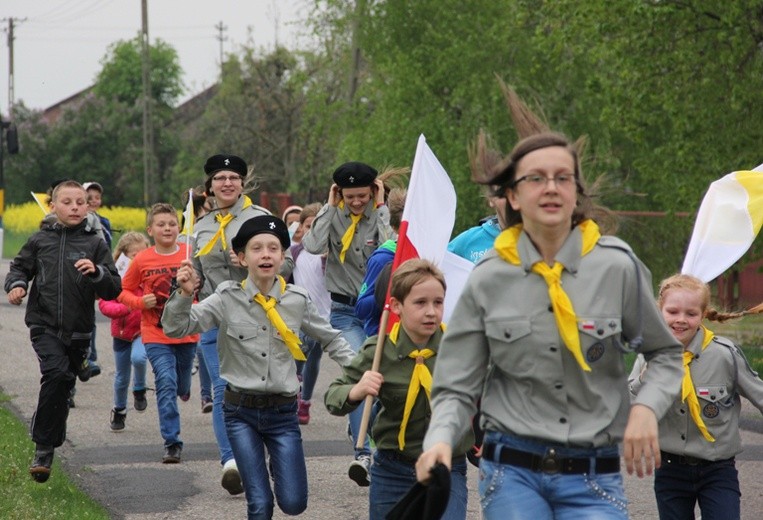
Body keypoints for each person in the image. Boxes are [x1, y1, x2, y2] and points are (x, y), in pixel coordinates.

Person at [415, 131, 684, 519]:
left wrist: (645, 408)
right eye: (536, 178)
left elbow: (664, 353)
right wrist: (439, 439)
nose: (551, 187)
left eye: (564, 178)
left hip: (595, 476)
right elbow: (457, 384)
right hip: (511, 473)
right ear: (512, 196)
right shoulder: (489, 276)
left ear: (577, 193)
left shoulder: (616, 266)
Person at [162, 215, 356, 520]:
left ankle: (278, 466)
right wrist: (184, 293)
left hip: (282, 414)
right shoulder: (226, 297)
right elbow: (177, 328)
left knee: (294, 503)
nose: (265, 254)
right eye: (256, 248)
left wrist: (361, 370)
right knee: (259, 504)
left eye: (273, 248)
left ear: (282, 257)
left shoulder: (297, 300)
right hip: (240, 413)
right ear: (242, 258)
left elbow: (331, 339)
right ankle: (259, 475)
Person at [326, 258, 472, 519]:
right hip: (393, 468)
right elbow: (333, 395)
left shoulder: (457, 346)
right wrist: (356, 391)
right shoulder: (380, 349)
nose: (431, 312)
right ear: (396, 305)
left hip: (446, 466)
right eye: (420, 303)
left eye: (438, 302)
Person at [4, 180, 121, 483]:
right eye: (67, 202)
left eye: (80, 202)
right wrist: (16, 285)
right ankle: (44, 449)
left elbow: (114, 287)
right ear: (52, 205)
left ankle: (49, 429)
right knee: (56, 374)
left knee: (64, 383)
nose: (74, 207)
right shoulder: (39, 240)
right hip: (43, 325)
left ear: (88, 206)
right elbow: (19, 268)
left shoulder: (95, 243)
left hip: (80, 332)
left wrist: (96, 273)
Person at [629, 274, 763, 519]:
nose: (681, 320)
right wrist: (645, 377)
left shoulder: (725, 355)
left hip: (718, 469)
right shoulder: (647, 355)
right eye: (673, 312)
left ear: (703, 315)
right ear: (660, 311)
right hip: (670, 470)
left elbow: (760, 394)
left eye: (690, 314)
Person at [192, 153, 286, 494]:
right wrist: (187, 282)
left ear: (242, 183)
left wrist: (248, 262)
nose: (227, 183)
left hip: (256, 316)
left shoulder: (262, 219)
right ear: (210, 187)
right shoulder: (200, 226)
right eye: (220, 178)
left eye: (233, 177)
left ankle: (266, 453)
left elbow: (285, 266)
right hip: (216, 316)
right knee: (222, 389)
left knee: (261, 389)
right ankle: (231, 461)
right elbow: (197, 274)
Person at [301, 161, 393, 486]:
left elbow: (390, 248)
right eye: (350, 196)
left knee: (381, 381)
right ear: (340, 193)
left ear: (373, 192)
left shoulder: (379, 215)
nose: (357, 202)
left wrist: (381, 208)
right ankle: (364, 453)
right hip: (343, 312)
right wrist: (329, 206)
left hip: (377, 312)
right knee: (360, 374)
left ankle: (369, 435)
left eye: (363, 196)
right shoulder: (333, 216)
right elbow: (311, 246)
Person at [118, 203, 199, 464]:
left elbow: (205, 288)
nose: (167, 228)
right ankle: (172, 442)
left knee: (181, 384)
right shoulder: (142, 259)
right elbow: (124, 291)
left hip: (187, 334)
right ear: (150, 230)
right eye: (161, 224)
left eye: (172, 224)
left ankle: (182, 387)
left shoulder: (191, 253)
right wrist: (141, 303)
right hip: (155, 333)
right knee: (165, 381)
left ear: (179, 227)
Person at [99, 231, 151, 431]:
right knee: (121, 376)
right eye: (133, 255)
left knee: (139, 358)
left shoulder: (148, 277)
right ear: (123, 255)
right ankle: (119, 409)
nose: (137, 259)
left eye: (142, 254)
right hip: (121, 333)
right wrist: (127, 307)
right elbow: (105, 305)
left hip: (142, 329)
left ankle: (139, 389)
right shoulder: (116, 277)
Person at [290, 203, 329, 424]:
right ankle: (296, 394)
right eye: (308, 225)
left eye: (318, 225)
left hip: (327, 313)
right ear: (301, 228)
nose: (313, 229)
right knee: (301, 352)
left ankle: (304, 400)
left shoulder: (331, 252)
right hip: (301, 313)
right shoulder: (295, 252)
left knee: (313, 357)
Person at [179, 186, 215, 414]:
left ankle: (206, 395)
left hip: (211, 299)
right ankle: (196, 388)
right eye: (209, 207)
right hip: (192, 298)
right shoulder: (186, 236)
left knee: (203, 348)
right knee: (199, 348)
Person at [355, 187, 407, 337]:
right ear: (395, 228)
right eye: (407, 227)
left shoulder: (431, 255)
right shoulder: (382, 259)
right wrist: (387, 290)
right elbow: (361, 308)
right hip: (384, 340)